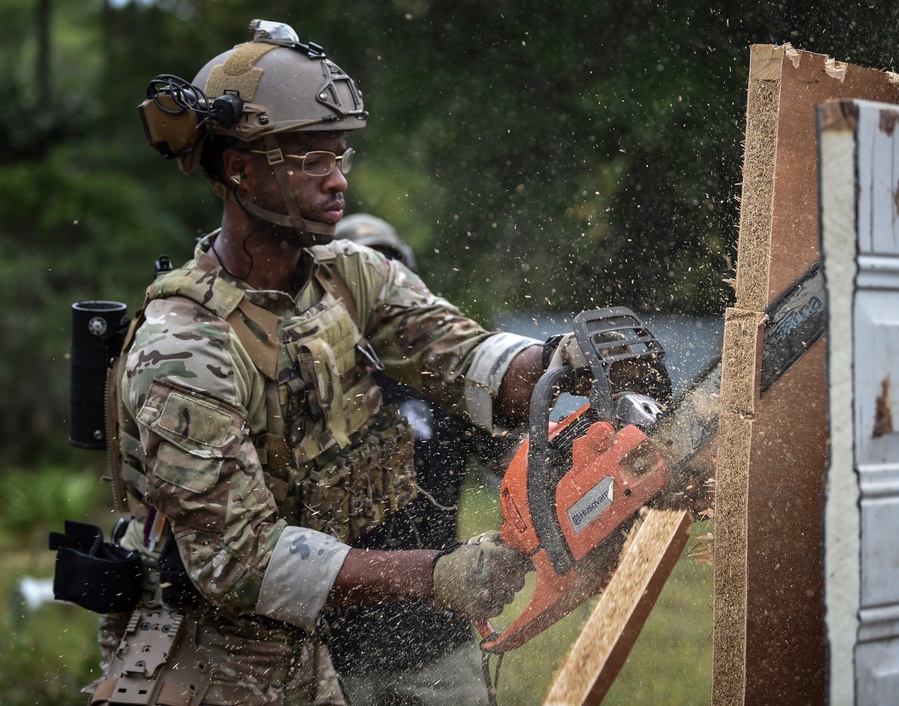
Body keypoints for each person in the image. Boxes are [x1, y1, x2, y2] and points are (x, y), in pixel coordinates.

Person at [84, 19, 594, 706]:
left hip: (309, 656)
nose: (336, 182)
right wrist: (436, 575)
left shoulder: (350, 277)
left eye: (339, 157)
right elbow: (237, 562)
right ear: (239, 170)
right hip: (212, 666)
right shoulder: (185, 345)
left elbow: (467, 358)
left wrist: (561, 361)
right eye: (309, 161)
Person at [328, 214, 513, 705]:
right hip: (332, 651)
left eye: (386, 272)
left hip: (439, 641)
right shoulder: (312, 386)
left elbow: (516, 460)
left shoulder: (442, 378)